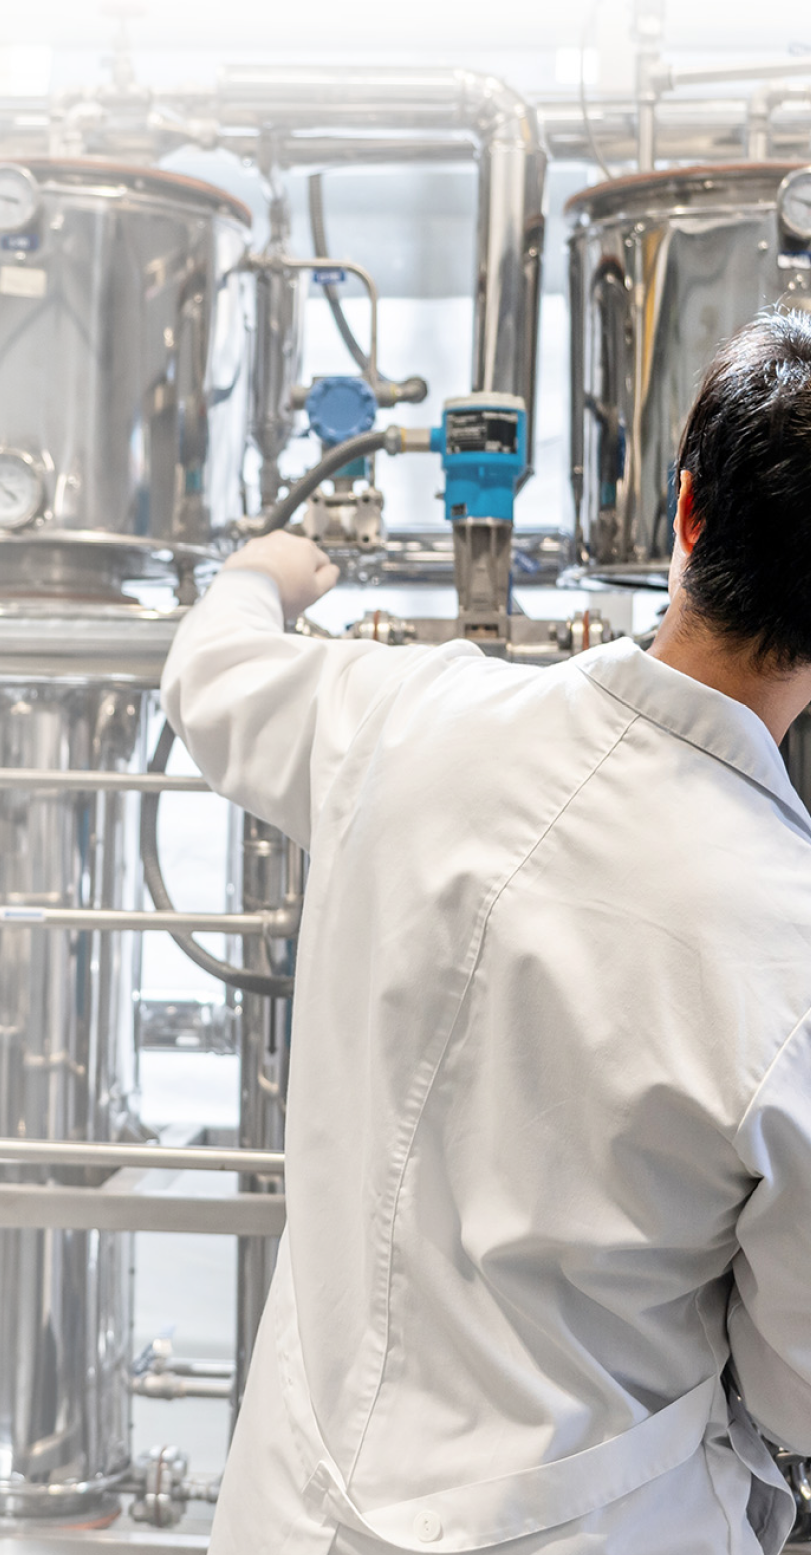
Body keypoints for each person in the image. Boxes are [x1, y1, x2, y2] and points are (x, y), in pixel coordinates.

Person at [163, 310, 811, 1555]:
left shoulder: (402, 712)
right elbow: (794, 1381)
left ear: (685, 517)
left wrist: (260, 573)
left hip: (292, 1507)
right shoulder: (789, 956)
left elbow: (210, 681)